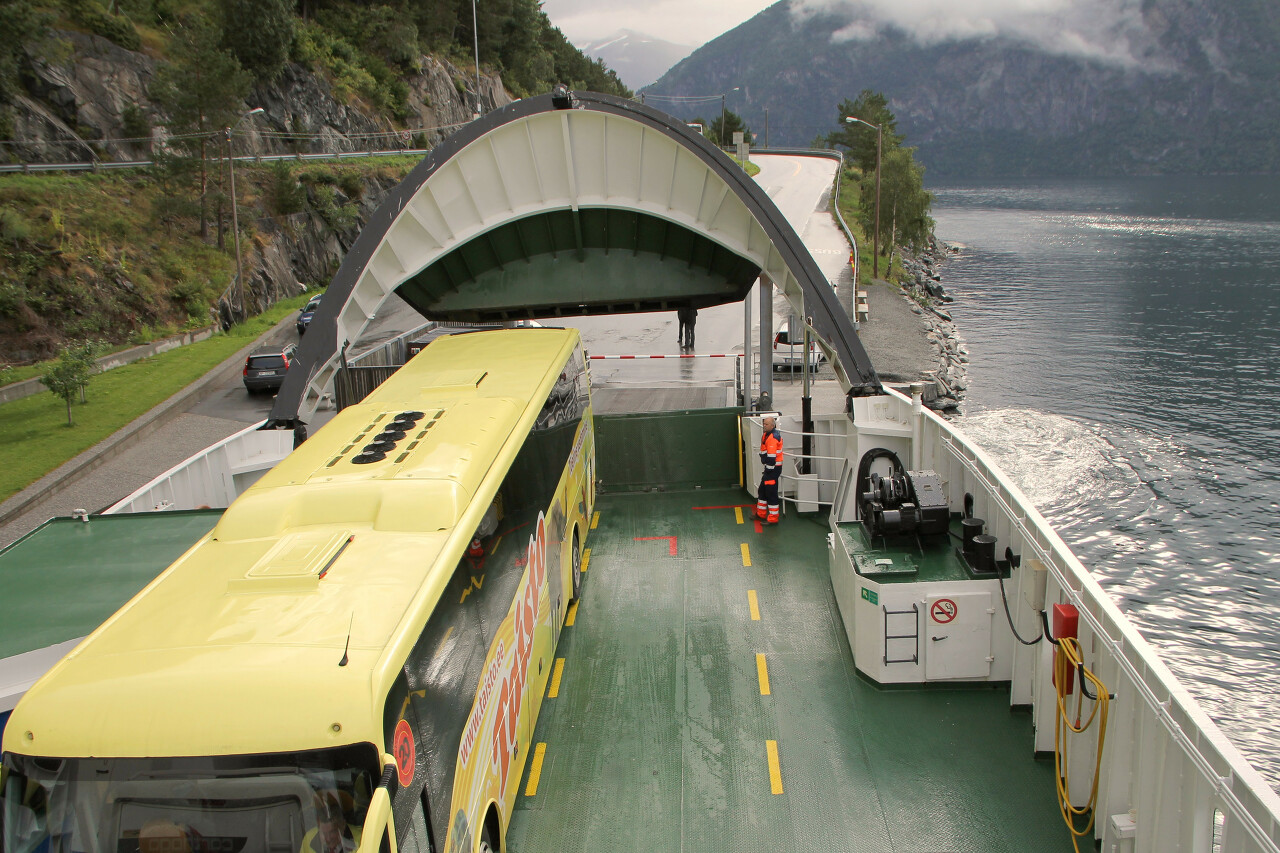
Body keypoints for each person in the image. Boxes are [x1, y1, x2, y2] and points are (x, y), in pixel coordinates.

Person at [756, 415, 783, 524]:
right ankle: (761, 514)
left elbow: (771, 459)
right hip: (769, 469)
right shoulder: (766, 435)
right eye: (764, 423)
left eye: (766, 424)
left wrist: (768, 471)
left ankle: (773, 519)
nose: (764, 426)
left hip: (772, 470)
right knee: (762, 491)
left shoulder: (772, 438)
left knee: (771, 494)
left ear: (773, 425)